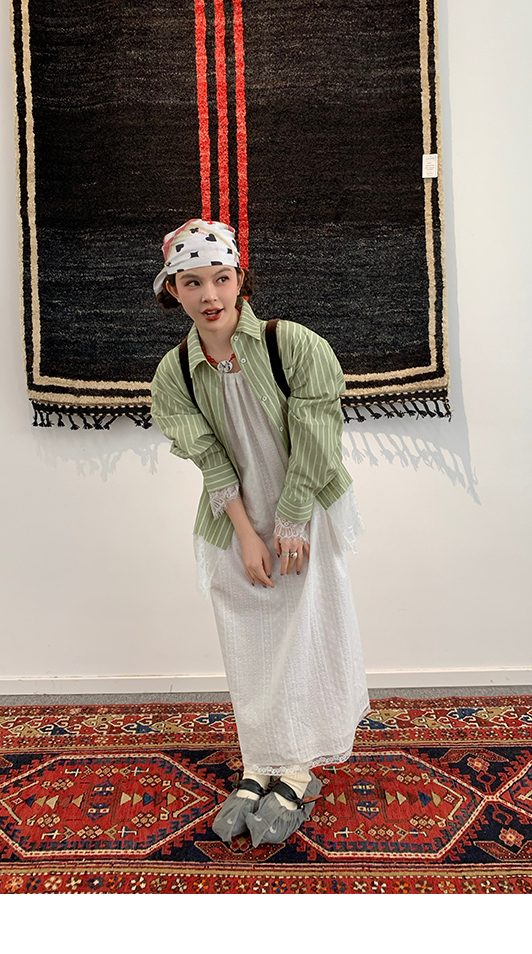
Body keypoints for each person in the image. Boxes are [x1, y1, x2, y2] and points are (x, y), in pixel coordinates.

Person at [150, 218, 369, 846]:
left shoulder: (290, 343)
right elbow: (211, 460)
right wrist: (248, 534)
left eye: (221, 278)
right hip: (233, 522)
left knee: (305, 632)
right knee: (247, 638)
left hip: (306, 507)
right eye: (193, 282)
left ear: (240, 279)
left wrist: (291, 520)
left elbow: (318, 437)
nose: (209, 295)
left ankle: (297, 768)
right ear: (173, 290)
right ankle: (259, 762)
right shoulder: (175, 372)